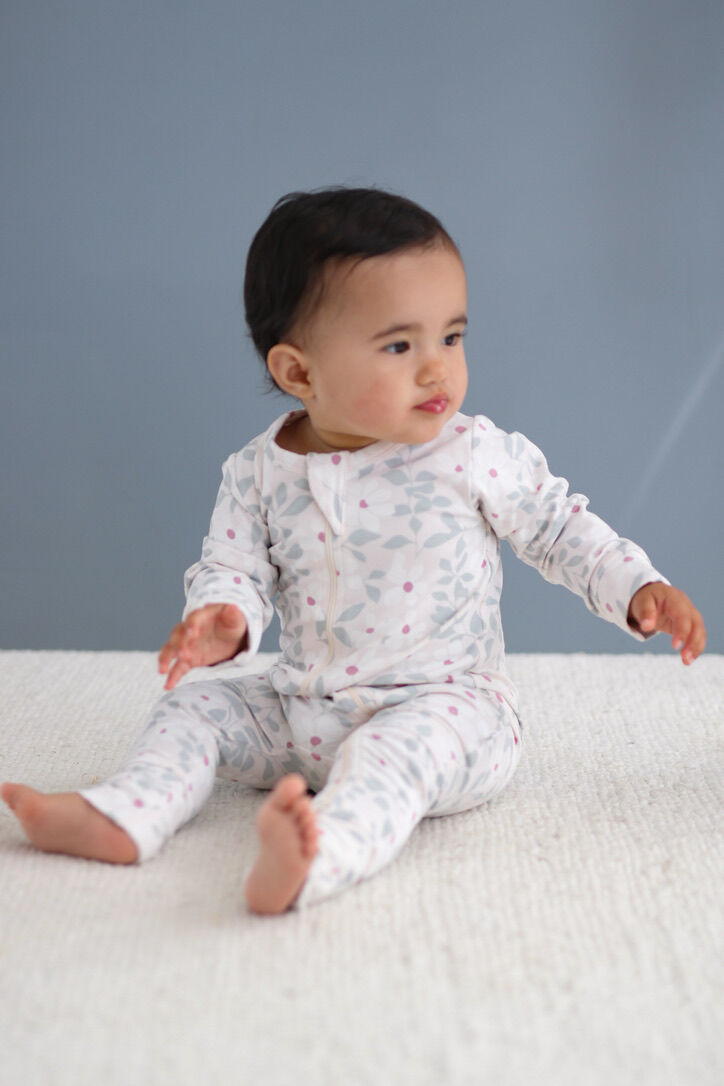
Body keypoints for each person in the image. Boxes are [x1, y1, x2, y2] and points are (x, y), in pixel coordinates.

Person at [2, 187, 706, 914]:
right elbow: (233, 566)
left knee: (388, 757)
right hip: (301, 709)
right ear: (299, 373)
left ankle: (316, 858)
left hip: (449, 711)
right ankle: (128, 811)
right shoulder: (258, 472)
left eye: (452, 337)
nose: (437, 369)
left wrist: (635, 586)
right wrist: (225, 616)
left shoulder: (472, 454)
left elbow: (559, 527)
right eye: (401, 346)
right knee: (194, 705)